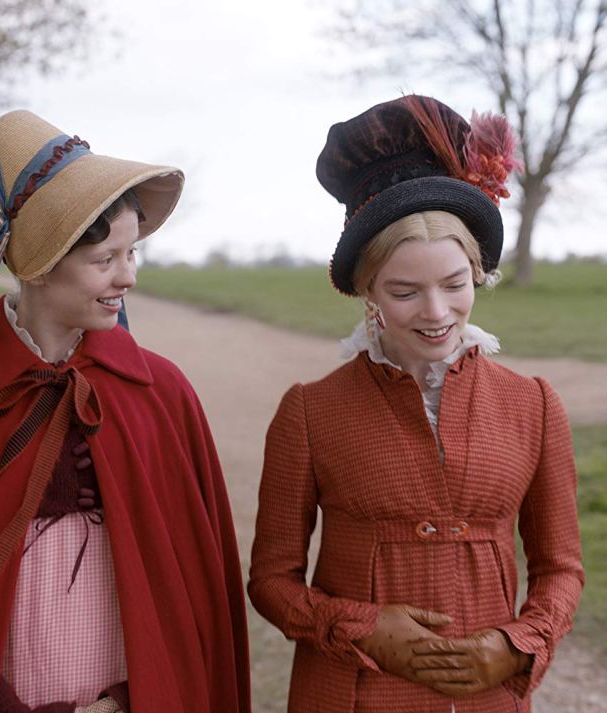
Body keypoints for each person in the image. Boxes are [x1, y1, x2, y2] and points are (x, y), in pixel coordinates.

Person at [0, 110, 250, 713]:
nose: (128, 278)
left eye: (133, 254)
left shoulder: (160, 394)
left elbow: (190, 595)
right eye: (105, 261)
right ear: (40, 264)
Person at [248, 95, 584, 713]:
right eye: (405, 291)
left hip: (489, 697)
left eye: (455, 286)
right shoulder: (308, 411)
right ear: (367, 289)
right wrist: (361, 626)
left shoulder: (533, 405)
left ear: (477, 274)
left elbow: (562, 569)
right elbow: (271, 582)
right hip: (348, 693)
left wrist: (516, 645)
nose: (436, 314)